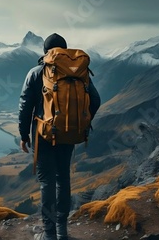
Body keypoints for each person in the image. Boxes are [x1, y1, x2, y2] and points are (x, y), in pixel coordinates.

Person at [18, 33, 101, 240]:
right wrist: (81, 122)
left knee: (47, 182)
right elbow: (96, 100)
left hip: (43, 134)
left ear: (46, 52)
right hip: (68, 133)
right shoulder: (79, 73)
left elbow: (25, 106)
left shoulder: (37, 72)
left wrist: (23, 135)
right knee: (63, 179)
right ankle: (62, 231)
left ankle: (49, 234)